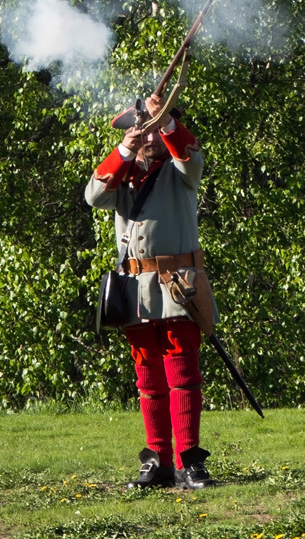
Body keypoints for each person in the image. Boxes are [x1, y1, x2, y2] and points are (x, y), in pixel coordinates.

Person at [85, 92, 216, 490]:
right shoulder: (123, 174)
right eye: (142, 128)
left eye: (156, 127)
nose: (148, 135)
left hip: (178, 285)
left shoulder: (180, 168)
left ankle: (188, 460)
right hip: (135, 288)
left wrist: (167, 122)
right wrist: (123, 150)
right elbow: (94, 195)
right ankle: (157, 459)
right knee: (148, 378)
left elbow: (192, 160)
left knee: (183, 373)